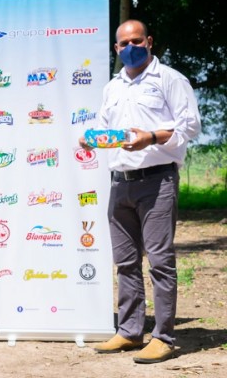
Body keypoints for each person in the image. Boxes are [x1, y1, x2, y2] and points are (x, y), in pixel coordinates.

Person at [79, 20, 201, 364]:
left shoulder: (171, 79)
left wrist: (150, 136)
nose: (130, 46)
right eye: (123, 43)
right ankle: (130, 331)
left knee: (160, 262)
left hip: (157, 181)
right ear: (116, 49)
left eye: (137, 40)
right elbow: (104, 126)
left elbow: (190, 125)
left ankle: (163, 336)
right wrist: (90, 137)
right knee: (126, 262)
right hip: (120, 183)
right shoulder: (113, 87)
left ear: (149, 42)